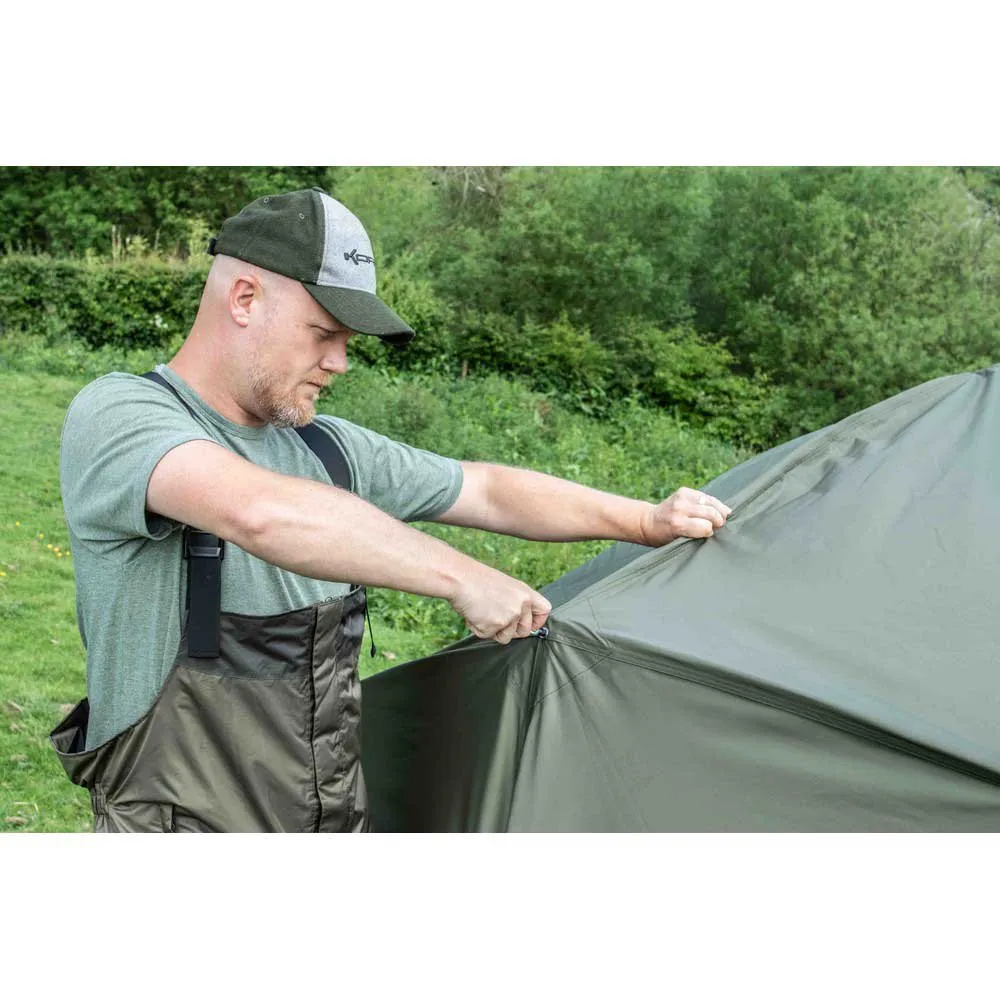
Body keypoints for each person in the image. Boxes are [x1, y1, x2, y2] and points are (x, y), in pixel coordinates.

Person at [52, 187, 731, 832]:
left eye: (348, 341)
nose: (340, 362)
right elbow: (259, 512)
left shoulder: (326, 450)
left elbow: (485, 489)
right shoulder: (121, 416)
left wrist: (644, 521)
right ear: (245, 298)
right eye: (324, 333)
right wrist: (463, 578)